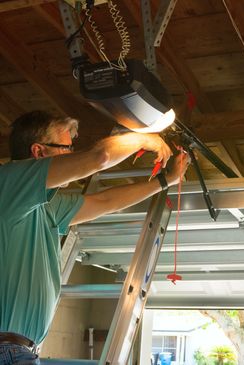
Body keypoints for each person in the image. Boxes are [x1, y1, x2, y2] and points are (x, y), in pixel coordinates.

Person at [0, 110, 189, 365]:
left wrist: (164, 181)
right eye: (65, 148)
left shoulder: (46, 206)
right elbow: (99, 157)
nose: (70, 155)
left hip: (18, 351)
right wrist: (143, 139)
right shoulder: (7, 184)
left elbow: (104, 201)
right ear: (38, 151)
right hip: (8, 350)